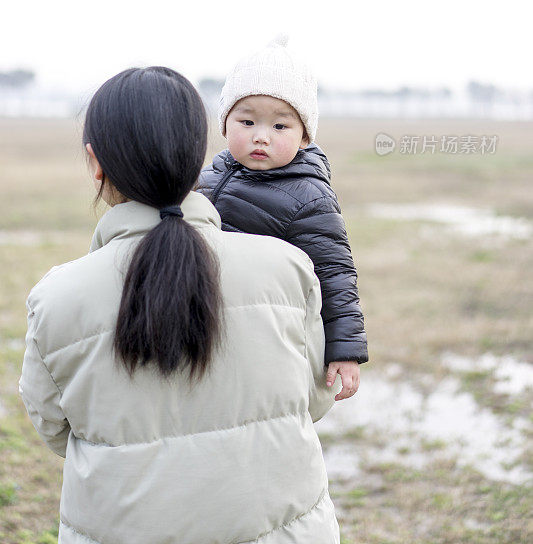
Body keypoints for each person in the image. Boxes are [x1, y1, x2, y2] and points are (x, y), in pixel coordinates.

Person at [19, 66, 340, 544]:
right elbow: (314, 399)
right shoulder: (288, 267)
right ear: (198, 159)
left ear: (95, 163)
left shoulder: (56, 296)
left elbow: (54, 428)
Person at [197, 35, 368, 401]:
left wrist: (345, 350)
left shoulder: (309, 195)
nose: (261, 137)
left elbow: (336, 272)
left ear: (304, 136)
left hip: (264, 333)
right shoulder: (206, 177)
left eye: (280, 126)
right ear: (224, 124)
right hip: (205, 317)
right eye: (247, 121)